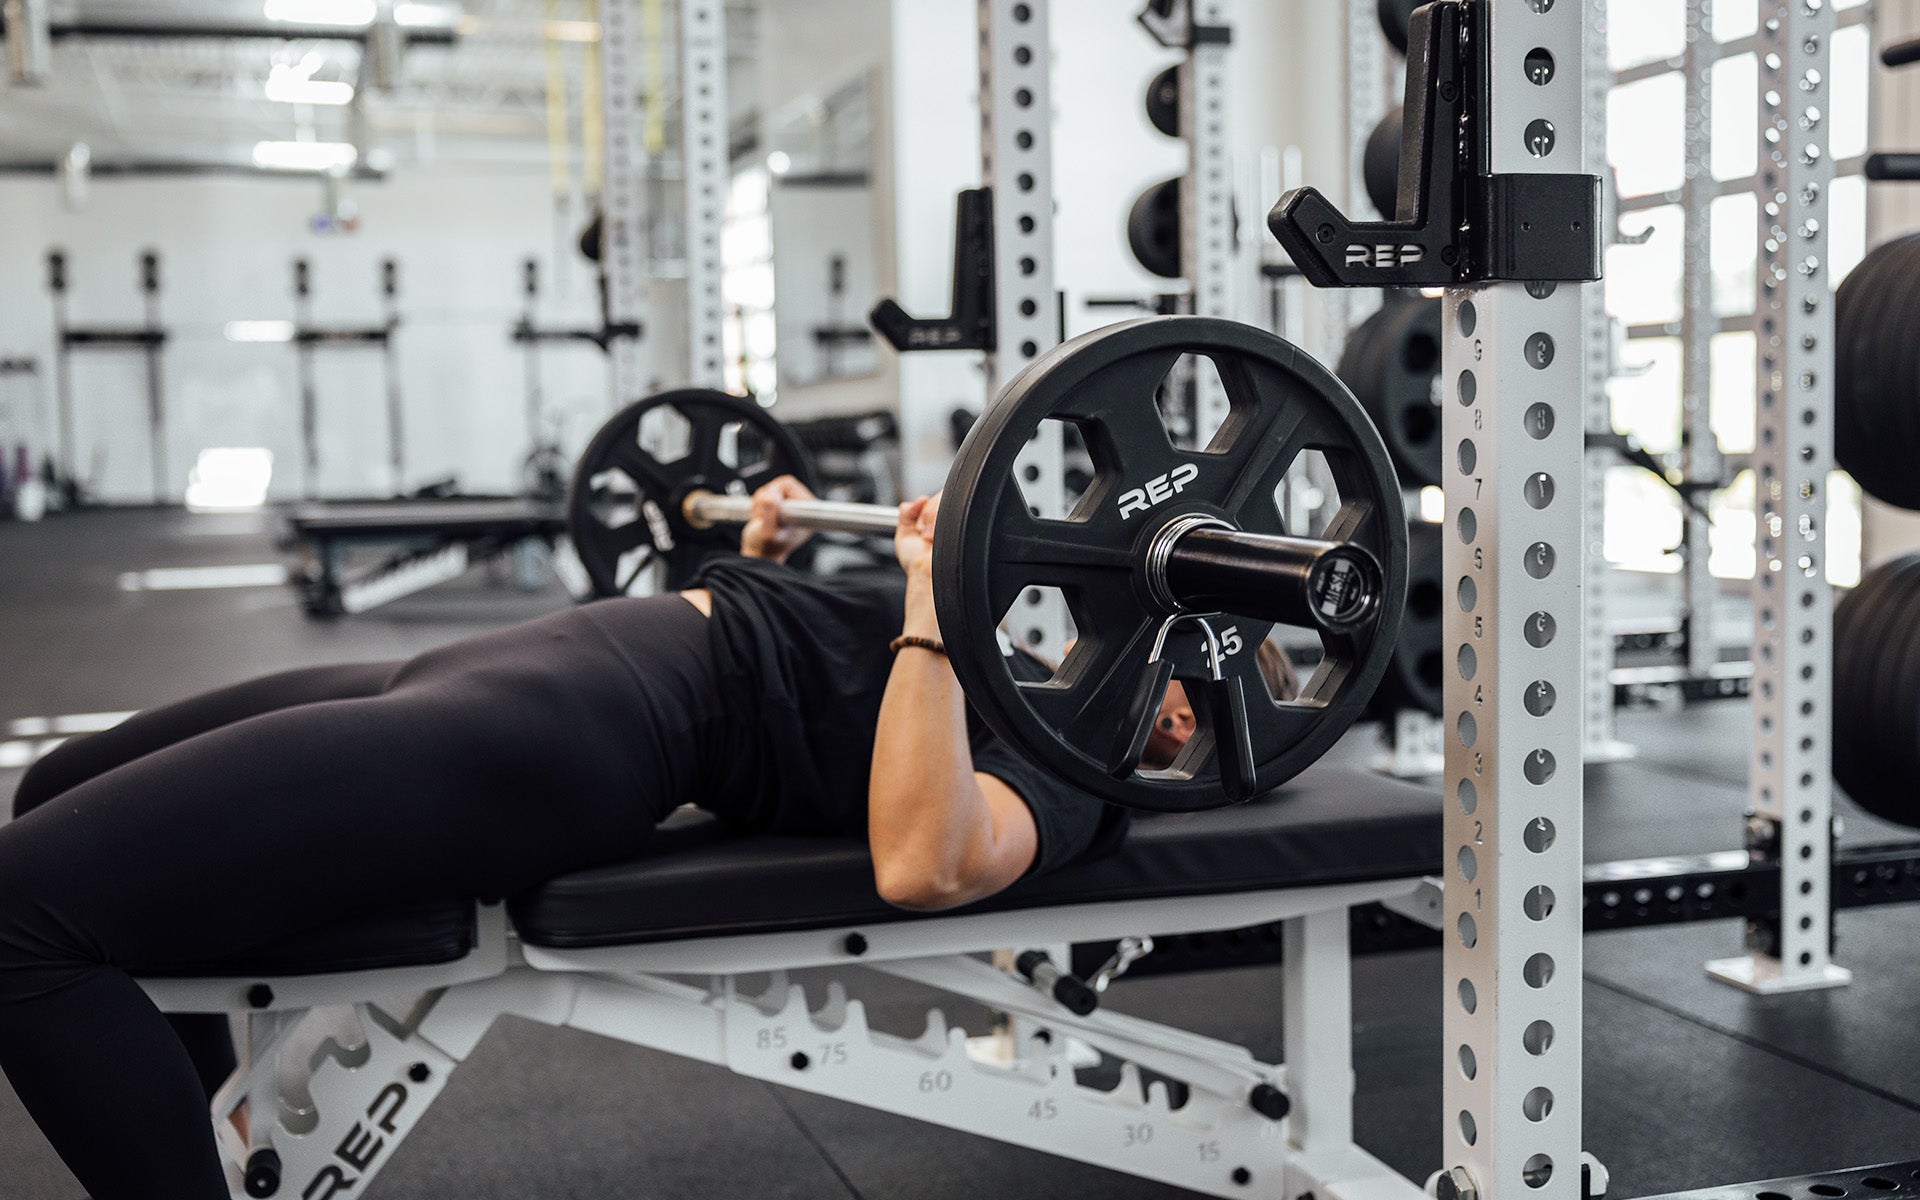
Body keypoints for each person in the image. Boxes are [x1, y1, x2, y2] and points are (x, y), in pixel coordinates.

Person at [0, 478, 1284, 1200]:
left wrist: (928, 607)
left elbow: (925, 858)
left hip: (557, 742)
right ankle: (206, 1139)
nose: (1173, 649)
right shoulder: (1024, 668)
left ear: (1196, 724)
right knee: (58, 786)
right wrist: (764, 547)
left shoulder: (1071, 781)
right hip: (496, 668)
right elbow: (806, 671)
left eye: (1206, 661)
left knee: (22, 917)